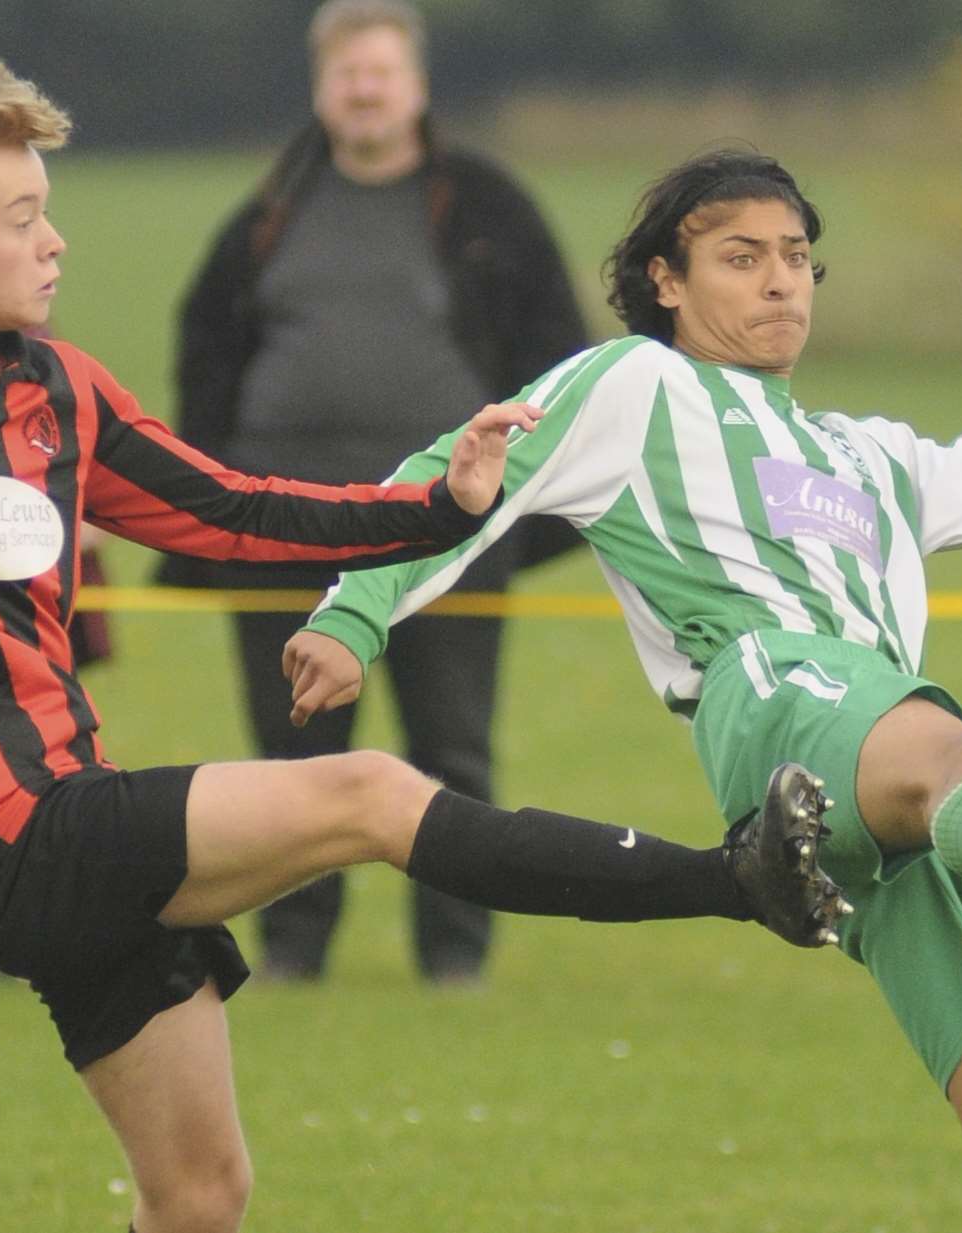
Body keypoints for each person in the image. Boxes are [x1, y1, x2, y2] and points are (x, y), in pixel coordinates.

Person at [0, 58, 840, 1233]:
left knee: (201, 1198)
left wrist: (442, 508)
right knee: (365, 792)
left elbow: (235, 511)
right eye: (22, 218)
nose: (55, 241)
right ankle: (731, 881)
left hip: (71, 808)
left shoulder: (60, 387)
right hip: (5, 835)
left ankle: (735, 883)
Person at [285, 149, 962, 1231]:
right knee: (940, 741)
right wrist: (352, 615)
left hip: (898, 781)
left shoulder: (874, 458)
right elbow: (458, 467)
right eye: (739, 258)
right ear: (665, 280)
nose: (779, 280)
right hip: (772, 699)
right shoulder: (632, 385)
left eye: (795, 258)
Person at [158, 0, 589, 984]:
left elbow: (558, 365)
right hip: (280, 529)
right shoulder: (269, 214)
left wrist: (517, 508)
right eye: (346, 73)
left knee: (451, 753)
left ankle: (454, 957)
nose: (362, 90)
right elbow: (205, 357)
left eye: (380, 73)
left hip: (449, 531)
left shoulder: (488, 208)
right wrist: (207, 506)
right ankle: (292, 953)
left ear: (417, 87)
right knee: (287, 763)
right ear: (320, 88)